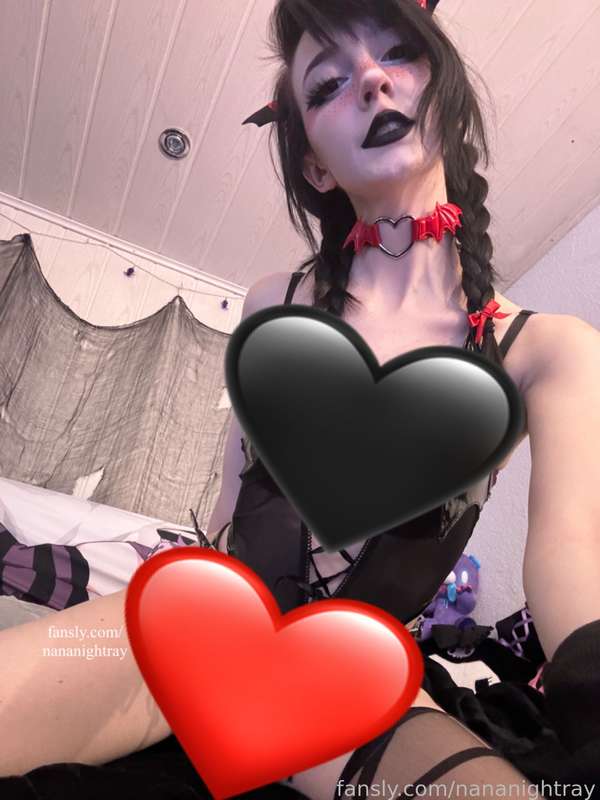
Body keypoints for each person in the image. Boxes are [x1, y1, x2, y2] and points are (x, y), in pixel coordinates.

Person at [0, 1, 598, 798]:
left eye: (398, 53)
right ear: (315, 163)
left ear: (446, 97)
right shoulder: (272, 304)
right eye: (327, 85)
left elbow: (570, 554)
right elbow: (231, 508)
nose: (372, 80)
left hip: (356, 674)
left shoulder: (549, 350)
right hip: (205, 622)